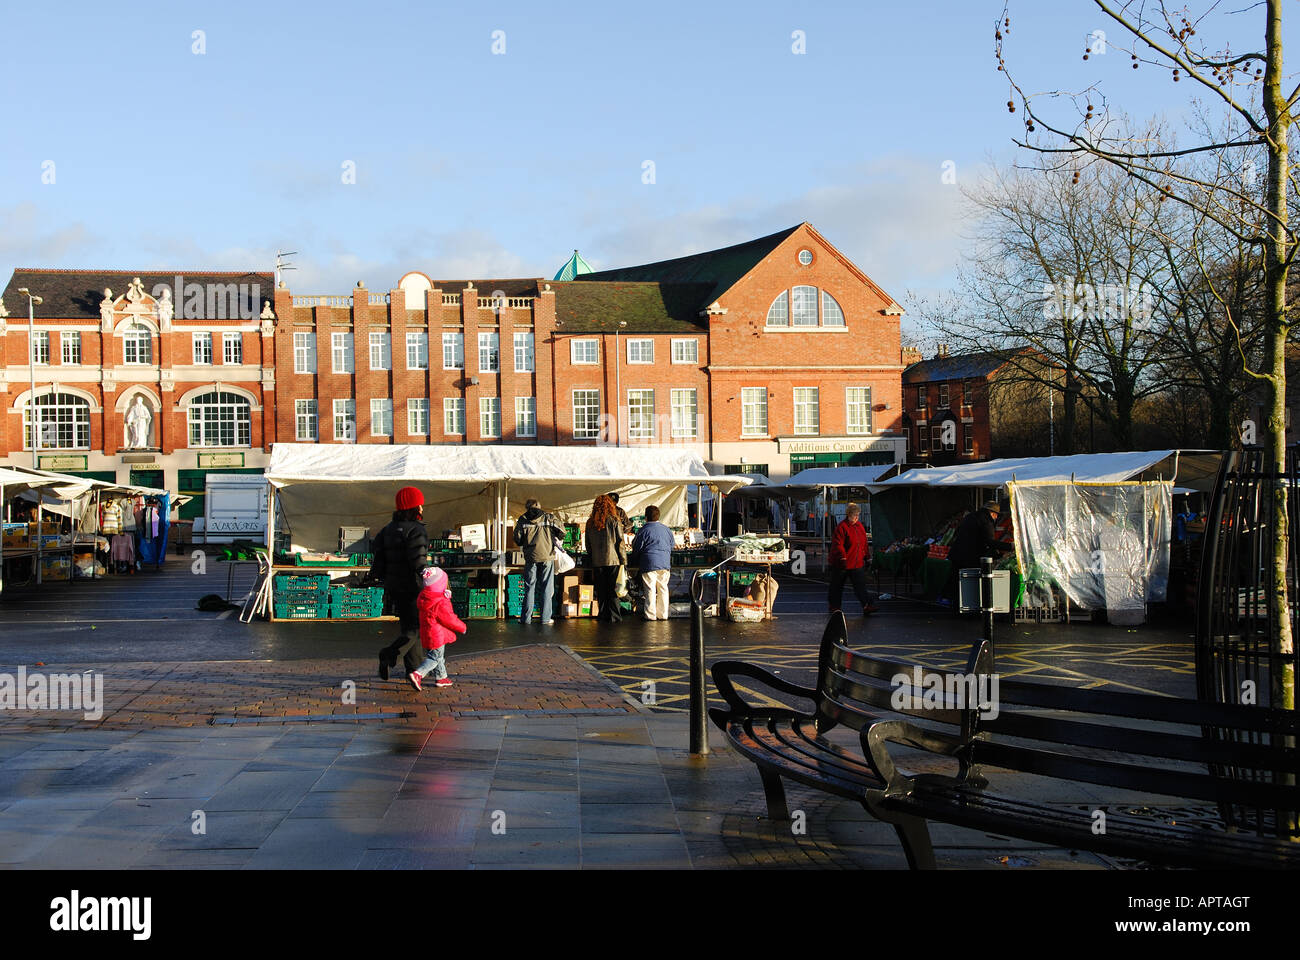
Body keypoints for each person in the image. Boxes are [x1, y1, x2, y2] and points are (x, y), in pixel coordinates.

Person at [370, 486, 429, 680]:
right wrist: (429, 576)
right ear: (414, 506)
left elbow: (377, 553)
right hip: (413, 585)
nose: (422, 507)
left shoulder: (388, 528)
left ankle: (413, 670)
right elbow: (418, 560)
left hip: (394, 585)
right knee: (416, 628)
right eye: (419, 504)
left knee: (409, 625)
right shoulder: (417, 530)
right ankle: (389, 654)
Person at [410, 566, 465, 690]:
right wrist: (462, 627)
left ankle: (441, 677)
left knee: (438, 656)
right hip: (437, 634)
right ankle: (418, 674)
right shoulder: (440, 602)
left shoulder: (425, 597)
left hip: (428, 632)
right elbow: (449, 618)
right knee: (434, 658)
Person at [945, 500, 1009, 606]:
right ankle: (967, 606)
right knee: (968, 584)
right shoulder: (986, 521)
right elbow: (989, 541)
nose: (996, 518)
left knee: (957, 582)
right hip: (969, 557)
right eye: (996, 515)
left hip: (957, 553)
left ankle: (955, 604)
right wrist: (1009, 547)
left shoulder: (971, 516)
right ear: (992, 513)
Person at [514, 498, 564, 625]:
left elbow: (518, 539)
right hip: (547, 556)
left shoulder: (523, 519)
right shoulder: (548, 517)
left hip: (531, 557)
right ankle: (545, 618)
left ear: (527, 507)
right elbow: (562, 532)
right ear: (540, 506)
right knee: (546, 587)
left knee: (529, 587)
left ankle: (526, 619)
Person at [829, 502, 878, 616]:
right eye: (854, 515)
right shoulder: (842, 527)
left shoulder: (859, 526)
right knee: (837, 585)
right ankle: (834, 606)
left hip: (857, 563)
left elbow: (864, 544)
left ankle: (867, 605)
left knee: (860, 585)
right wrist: (842, 557)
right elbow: (838, 544)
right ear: (849, 515)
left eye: (858, 515)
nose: (856, 517)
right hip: (842, 563)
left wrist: (867, 557)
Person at [587, 494, 627, 623]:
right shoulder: (614, 520)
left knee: (601, 590)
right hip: (613, 560)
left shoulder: (590, 522)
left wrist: (592, 556)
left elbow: (588, 544)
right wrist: (624, 562)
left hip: (597, 561)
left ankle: (602, 614)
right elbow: (620, 543)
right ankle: (614, 616)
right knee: (613, 590)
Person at [630, 504, 674, 621]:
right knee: (663, 588)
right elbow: (672, 545)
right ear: (658, 516)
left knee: (650, 589)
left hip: (649, 562)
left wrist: (634, 558)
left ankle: (650, 615)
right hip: (664, 562)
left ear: (646, 517)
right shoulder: (666, 529)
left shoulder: (643, 530)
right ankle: (663, 614)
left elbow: (637, 548)